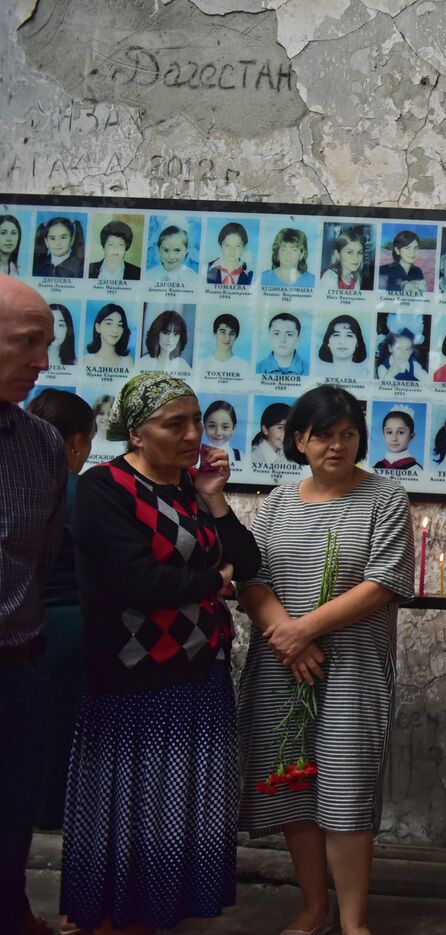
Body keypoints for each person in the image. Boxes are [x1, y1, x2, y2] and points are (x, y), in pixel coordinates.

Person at [64, 372, 258, 932]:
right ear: (137, 432)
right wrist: (212, 581)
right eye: (177, 424)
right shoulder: (106, 487)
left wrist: (215, 500)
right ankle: (114, 918)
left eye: (197, 422)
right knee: (129, 809)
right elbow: (136, 582)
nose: (194, 434)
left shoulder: (186, 490)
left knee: (179, 808)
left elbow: (245, 563)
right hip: (134, 676)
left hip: (199, 672)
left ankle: (157, 914)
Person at [237, 385, 414, 935]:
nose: (336, 445)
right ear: (298, 441)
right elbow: (252, 578)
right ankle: (314, 908)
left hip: (352, 672)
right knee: (295, 785)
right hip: (280, 668)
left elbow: (382, 583)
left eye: (347, 434)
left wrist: (303, 632)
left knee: (345, 787)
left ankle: (354, 922)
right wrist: (289, 639)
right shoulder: (277, 504)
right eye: (322, 435)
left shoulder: (385, 499)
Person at [0, 275, 68, 935]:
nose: (42, 362)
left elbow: (41, 556)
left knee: (12, 810)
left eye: (46, 345)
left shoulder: (40, 444)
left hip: (15, 664)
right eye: (28, 343)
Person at [23, 390, 93, 836]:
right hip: (75, 626)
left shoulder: (19, 482)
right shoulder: (80, 492)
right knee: (63, 732)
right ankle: (51, 814)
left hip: (23, 627)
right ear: (75, 443)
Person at [80, 303, 134, 369]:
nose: (115, 330)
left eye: (120, 325)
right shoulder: (87, 361)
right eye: (109, 323)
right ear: (98, 327)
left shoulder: (128, 361)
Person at [317, 314, 370, 380]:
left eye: (349, 336)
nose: (342, 341)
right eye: (336, 335)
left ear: (357, 342)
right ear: (328, 342)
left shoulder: (365, 374)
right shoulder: (318, 373)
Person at [320, 226, 372, 291]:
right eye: (350, 252)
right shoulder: (330, 278)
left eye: (360, 252)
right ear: (337, 254)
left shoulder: (355, 279)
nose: (356, 258)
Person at [141, 308, 192, 373]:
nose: (170, 339)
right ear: (156, 333)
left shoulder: (183, 366)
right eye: (166, 333)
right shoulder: (143, 363)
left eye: (175, 334)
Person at [378, 229, 427, 295]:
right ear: (397, 250)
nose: (412, 252)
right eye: (407, 248)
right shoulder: (383, 270)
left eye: (416, 248)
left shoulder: (417, 271)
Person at [203, 313, 250, 379]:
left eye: (231, 334)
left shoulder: (245, 367)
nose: (227, 338)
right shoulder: (202, 365)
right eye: (223, 332)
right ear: (214, 333)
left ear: (236, 337)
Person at [207, 221, 254, 286]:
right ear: (220, 246)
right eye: (227, 245)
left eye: (237, 246)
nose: (232, 251)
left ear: (244, 247)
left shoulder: (250, 275)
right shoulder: (206, 269)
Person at [47, 303, 76, 367]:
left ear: (68, 329)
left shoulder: (76, 363)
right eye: (49, 324)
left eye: (60, 325)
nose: (54, 331)